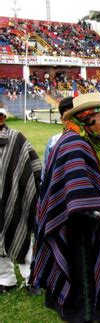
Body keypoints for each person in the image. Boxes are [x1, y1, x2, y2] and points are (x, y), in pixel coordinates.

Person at [31, 92, 100, 322]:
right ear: (87, 118)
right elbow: (78, 197)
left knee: (82, 289)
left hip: (78, 229)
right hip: (78, 234)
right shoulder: (75, 144)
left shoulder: (75, 140)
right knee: (85, 292)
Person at [0, 105, 41, 294]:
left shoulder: (17, 138)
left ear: (3, 118)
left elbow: (34, 166)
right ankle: (6, 280)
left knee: (21, 232)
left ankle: (31, 278)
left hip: (17, 197)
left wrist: (36, 188)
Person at [41, 96, 73, 180]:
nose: (72, 121)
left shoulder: (89, 140)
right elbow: (45, 173)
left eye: (74, 116)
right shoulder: (53, 142)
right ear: (62, 119)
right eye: (67, 117)